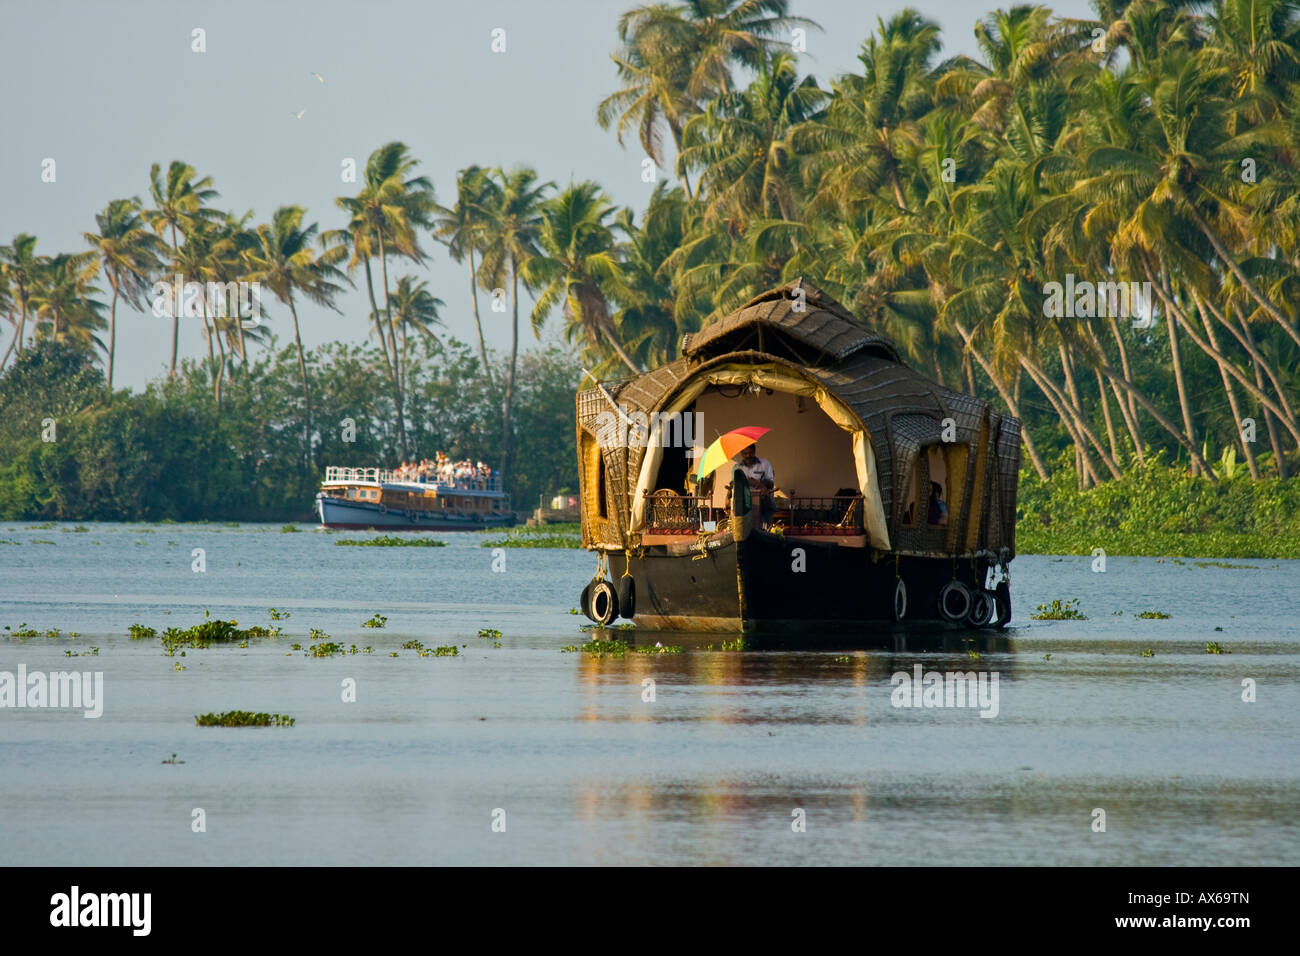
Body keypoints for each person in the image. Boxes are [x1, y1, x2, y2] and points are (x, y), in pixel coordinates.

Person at [738, 443, 775, 521]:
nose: (748, 455)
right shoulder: (737, 468)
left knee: (764, 531)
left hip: (765, 507)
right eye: (745, 453)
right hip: (745, 508)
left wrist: (757, 483)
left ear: (754, 452)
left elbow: (771, 484)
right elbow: (733, 486)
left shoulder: (765, 464)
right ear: (741, 454)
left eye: (750, 453)